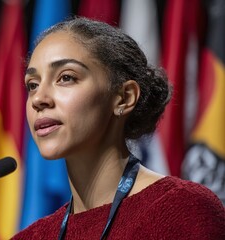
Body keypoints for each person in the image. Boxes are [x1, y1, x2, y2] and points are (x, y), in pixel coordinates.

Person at [12, 17, 225, 240]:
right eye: (32, 85)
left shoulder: (184, 210)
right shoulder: (32, 236)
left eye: (66, 77)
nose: (38, 99)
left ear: (124, 97)